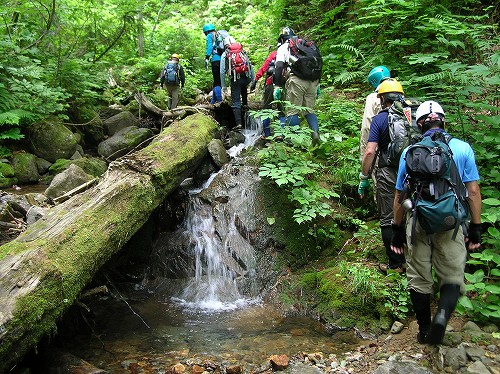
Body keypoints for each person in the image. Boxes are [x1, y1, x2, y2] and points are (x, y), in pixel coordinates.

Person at [390, 100, 482, 345]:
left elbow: (399, 196)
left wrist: (396, 230)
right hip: (452, 222)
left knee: (419, 276)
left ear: (419, 125)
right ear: (443, 120)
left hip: (418, 220)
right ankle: (442, 315)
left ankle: (424, 330)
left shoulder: (410, 151)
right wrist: (476, 226)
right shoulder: (462, 148)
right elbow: (472, 191)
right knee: (452, 275)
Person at [359, 78, 406, 274]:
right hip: (413, 171)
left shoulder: (379, 119)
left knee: (388, 218)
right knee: (411, 214)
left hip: (388, 173)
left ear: (381, 99)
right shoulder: (412, 116)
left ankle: (396, 264)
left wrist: (364, 176)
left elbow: (370, 151)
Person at [273, 27, 321, 145]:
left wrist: (277, 86)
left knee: (292, 111)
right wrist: (318, 83)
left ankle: (294, 141)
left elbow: (279, 67)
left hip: (297, 80)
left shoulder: (284, 47)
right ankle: (315, 133)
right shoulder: (306, 45)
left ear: (282, 39)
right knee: (308, 110)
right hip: (313, 81)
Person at [250, 41, 286, 139]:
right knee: (282, 110)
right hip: (283, 85)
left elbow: (264, 67)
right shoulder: (289, 55)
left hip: (270, 84)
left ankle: (267, 134)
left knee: (266, 109)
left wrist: (255, 80)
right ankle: (282, 134)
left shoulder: (274, 54)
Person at [220, 36, 254, 130]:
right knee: (243, 87)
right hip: (246, 77)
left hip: (235, 79)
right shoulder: (241, 51)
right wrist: (253, 79)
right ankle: (245, 105)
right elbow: (249, 65)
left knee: (235, 101)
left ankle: (239, 124)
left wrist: (224, 86)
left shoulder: (225, 54)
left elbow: (222, 71)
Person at [203, 23, 222, 90]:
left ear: (207, 31)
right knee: (221, 78)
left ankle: (218, 98)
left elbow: (209, 47)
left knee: (217, 80)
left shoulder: (210, 35)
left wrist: (207, 58)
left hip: (216, 60)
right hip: (224, 59)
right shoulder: (218, 35)